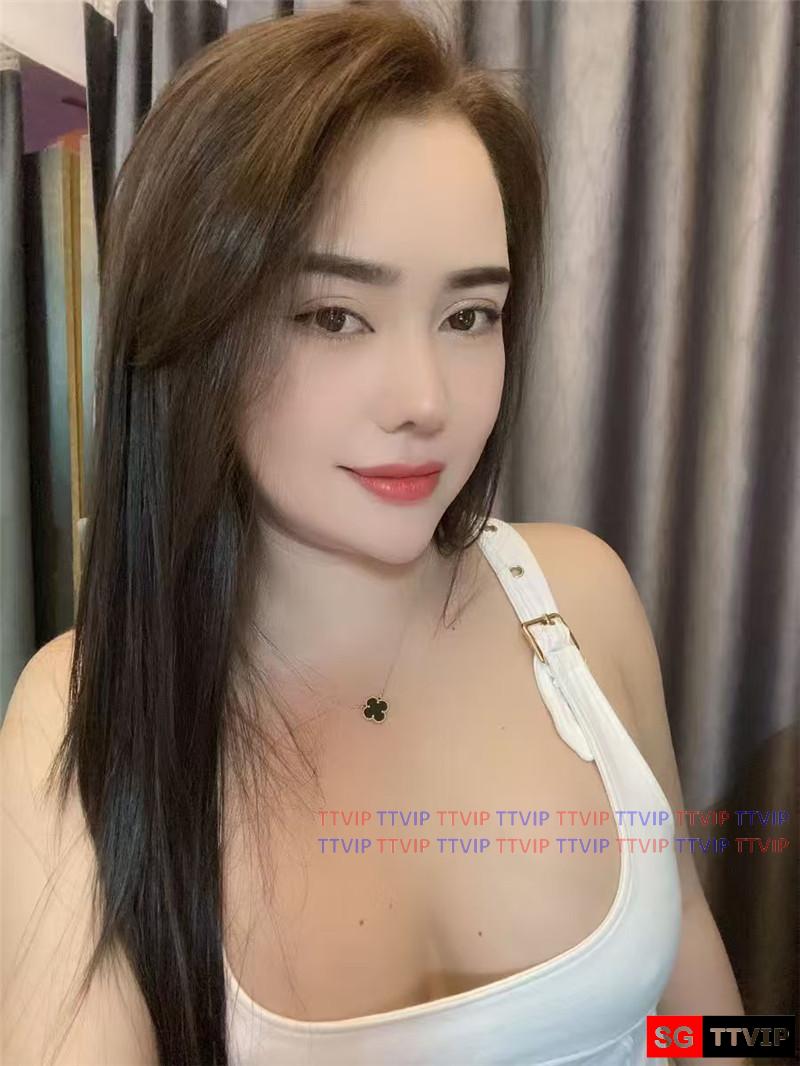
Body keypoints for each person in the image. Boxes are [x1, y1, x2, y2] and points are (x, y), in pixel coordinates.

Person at [1, 3, 746, 1064]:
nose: (425, 400)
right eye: (334, 316)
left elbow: (695, 988)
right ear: (193, 321)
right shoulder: (85, 707)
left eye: (468, 316)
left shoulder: (580, 603)